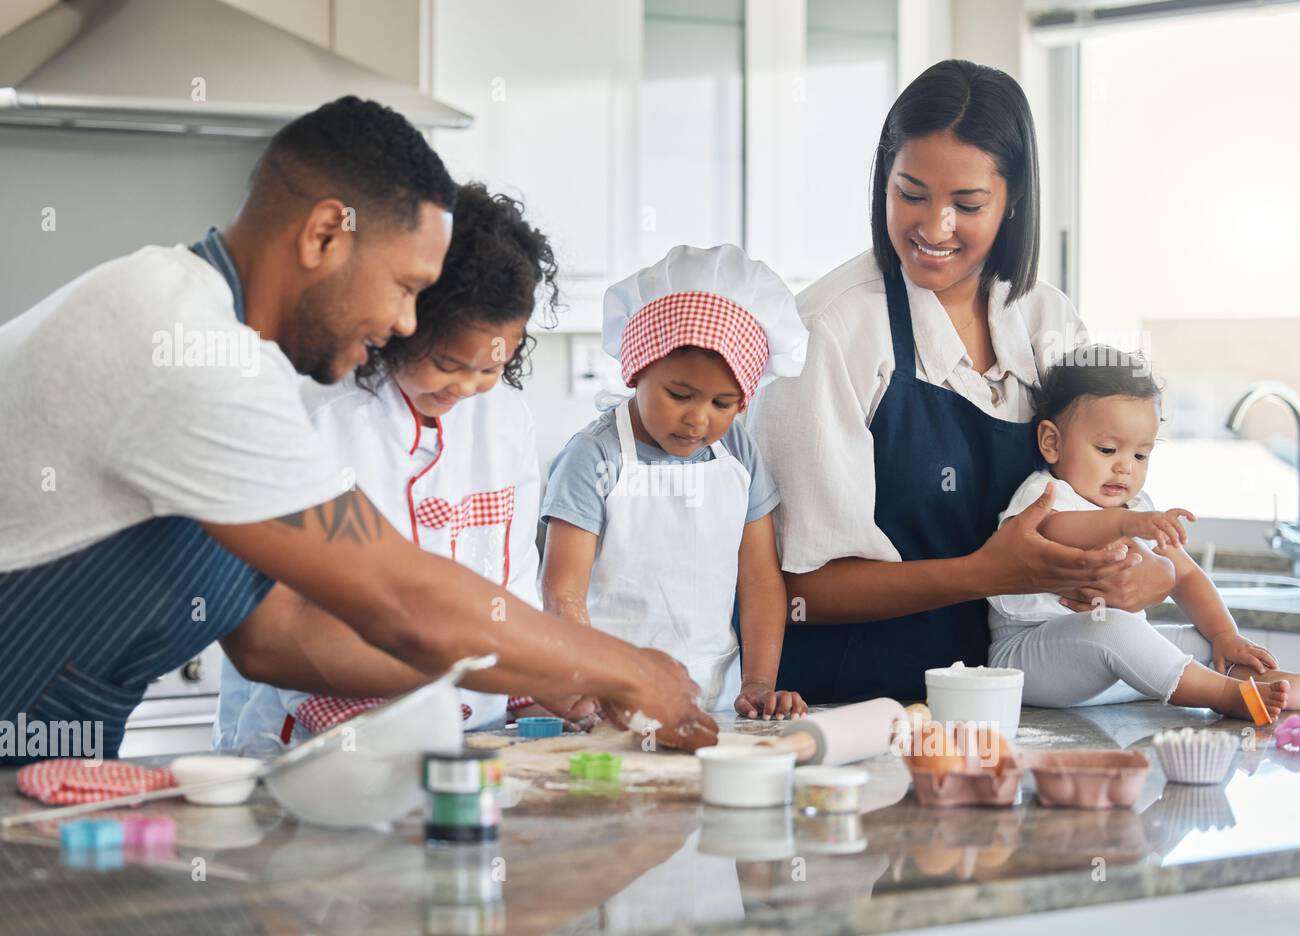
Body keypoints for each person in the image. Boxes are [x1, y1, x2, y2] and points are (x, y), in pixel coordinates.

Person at [0, 96, 715, 763]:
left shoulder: (227, 349)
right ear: (322, 236)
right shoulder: (191, 348)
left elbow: (276, 637)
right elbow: (401, 599)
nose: (406, 323)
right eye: (405, 286)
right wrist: (627, 671)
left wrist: (532, 675)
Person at [745, 60, 1173, 704]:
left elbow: (1114, 493)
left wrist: (1148, 574)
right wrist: (985, 573)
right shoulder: (830, 332)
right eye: (910, 194)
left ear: (1013, 201)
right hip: (852, 705)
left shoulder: (1046, 319)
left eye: (967, 204)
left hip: (1002, 703)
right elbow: (798, 592)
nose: (933, 227)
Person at [216, 182, 582, 753]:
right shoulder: (322, 414)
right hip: (316, 735)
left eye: (491, 366)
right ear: (401, 323)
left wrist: (534, 687)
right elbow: (289, 621)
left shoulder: (505, 419)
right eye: (445, 364)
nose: (466, 387)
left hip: (475, 732)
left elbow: (508, 584)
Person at [540, 244, 809, 720]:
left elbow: (760, 579)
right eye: (679, 394)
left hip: (718, 703)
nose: (697, 420)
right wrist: (599, 682)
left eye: (723, 404)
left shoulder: (739, 453)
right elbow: (563, 593)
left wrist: (759, 683)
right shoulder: (594, 457)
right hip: (610, 705)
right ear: (638, 367)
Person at [988, 350, 1289, 720]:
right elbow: (1056, 530)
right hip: (1029, 660)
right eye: (1107, 449)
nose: (1124, 468)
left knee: (1200, 639)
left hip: (1112, 671)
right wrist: (1125, 523)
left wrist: (1226, 635)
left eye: (1141, 456)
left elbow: (1187, 575)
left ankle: (1275, 684)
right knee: (1112, 628)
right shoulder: (1044, 494)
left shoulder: (1137, 508)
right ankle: (1225, 694)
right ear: (1052, 442)